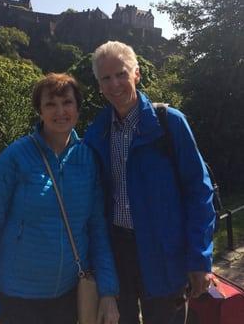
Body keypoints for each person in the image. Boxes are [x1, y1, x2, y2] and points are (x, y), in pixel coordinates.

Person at [0, 73, 119, 324]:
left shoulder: (87, 159)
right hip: (18, 301)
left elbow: (97, 231)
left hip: (70, 298)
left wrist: (108, 292)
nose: (60, 111)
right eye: (50, 104)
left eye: (67, 103)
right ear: (39, 110)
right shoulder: (14, 159)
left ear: (78, 108)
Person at [84, 41, 216, 324]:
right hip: (118, 253)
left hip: (164, 252)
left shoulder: (169, 123)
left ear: (137, 74)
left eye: (121, 73)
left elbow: (199, 192)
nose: (115, 83)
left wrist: (199, 259)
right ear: (98, 85)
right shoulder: (97, 133)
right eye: (106, 78)